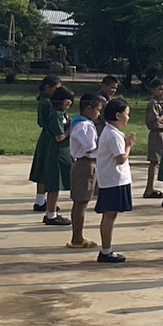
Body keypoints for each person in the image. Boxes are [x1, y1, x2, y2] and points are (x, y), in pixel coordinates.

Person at [93, 97, 135, 264]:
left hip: (114, 179)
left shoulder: (112, 132)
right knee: (109, 215)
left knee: (111, 215)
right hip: (113, 180)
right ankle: (106, 250)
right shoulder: (112, 134)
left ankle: (107, 249)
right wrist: (129, 145)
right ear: (118, 115)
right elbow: (120, 158)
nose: (128, 117)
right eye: (127, 114)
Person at [67, 93, 104, 251]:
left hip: (86, 164)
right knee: (81, 203)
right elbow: (90, 148)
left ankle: (78, 236)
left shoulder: (79, 122)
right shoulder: (85, 126)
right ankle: (77, 238)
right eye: (98, 110)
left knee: (81, 202)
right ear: (89, 108)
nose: (99, 114)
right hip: (85, 164)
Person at [36, 86, 75, 226]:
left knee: (57, 185)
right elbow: (59, 136)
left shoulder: (62, 114)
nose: (69, 103)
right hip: (56, 152)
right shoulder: (56, 115)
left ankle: (51, 211)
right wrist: (70, 129)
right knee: (54, 185)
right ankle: (51, 215)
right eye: (67, 100)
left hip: (61, 152)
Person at [27, 74, 60, 211]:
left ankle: (41, 200)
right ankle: (41, 201)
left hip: (46, 136)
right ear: (47, 87)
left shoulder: (46, 101)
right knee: (45, 168)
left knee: (43, 168)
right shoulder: (47, 103)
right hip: (49, 136)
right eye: (56, 88)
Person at [142, 80, 163, 198]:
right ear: (153, 90)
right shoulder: (153, 103)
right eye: (160, 89)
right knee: (154, 161)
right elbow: (154, 122)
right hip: (157, 134)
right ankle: (149, 188)